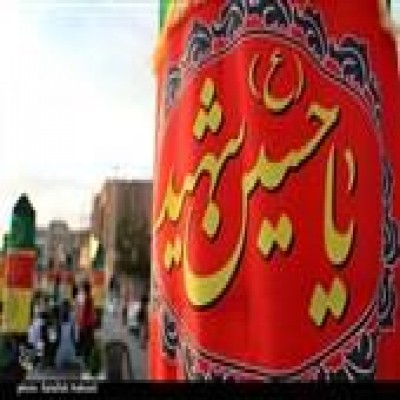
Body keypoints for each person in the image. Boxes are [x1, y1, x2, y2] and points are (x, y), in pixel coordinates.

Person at [55, 300, 78, 370]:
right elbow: (73, 330)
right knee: (70, 357)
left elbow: (58, 331)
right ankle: (69, 362)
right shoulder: (72, 315)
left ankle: (65, 362)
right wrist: (75, 340)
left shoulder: (61, 316)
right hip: (68, 339)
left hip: (63, 340)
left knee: (61, 361)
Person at [78, 281, 96, 366]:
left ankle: (87, 359)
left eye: (82, 288)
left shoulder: (87, 298)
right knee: (89, 341)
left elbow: (85, 313)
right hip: (90, 323)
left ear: (85, 289)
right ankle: (88, 359)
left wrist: (82, 324)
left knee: (87, 342)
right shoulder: (89, 297)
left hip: (87, 324)